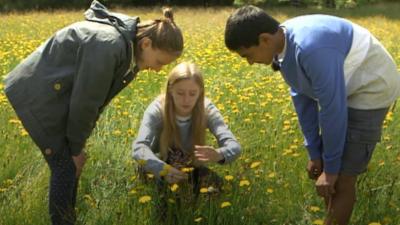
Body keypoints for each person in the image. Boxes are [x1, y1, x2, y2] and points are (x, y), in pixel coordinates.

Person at [3, 0, 183, 224]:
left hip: (53, 92)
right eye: (159, 62)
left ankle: (68, 218)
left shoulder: (126, 50)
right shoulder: (110, 46)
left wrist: (76, 146)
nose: (158, 70)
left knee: (68, 164)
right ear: (146, 44)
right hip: (37, 94)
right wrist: (75, 149)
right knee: (65, 166)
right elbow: (85, 103)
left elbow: (94, 102)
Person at [224, 5, 400, 225]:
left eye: (247, 55)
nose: (249, 62)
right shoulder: (282, 46)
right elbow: (302, 95)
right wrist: (315, 152)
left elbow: (332, 108)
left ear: (265, 39)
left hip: (372, 85)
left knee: (342, 178)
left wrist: (332, 169)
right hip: (345, 86)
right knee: (328, 171)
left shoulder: (310, 48)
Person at [132, 62, 241, 196]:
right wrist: (162, 169)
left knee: (219, 190)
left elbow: (234, 146)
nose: (186, 100)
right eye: (180, 93)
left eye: (192, 93)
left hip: (191, 166)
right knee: (163, 197)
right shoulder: (156, 110)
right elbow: (139, 147)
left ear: (200, 92)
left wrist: (219, 154)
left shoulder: (207, 109)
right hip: (160, 163)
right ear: (170, 90)